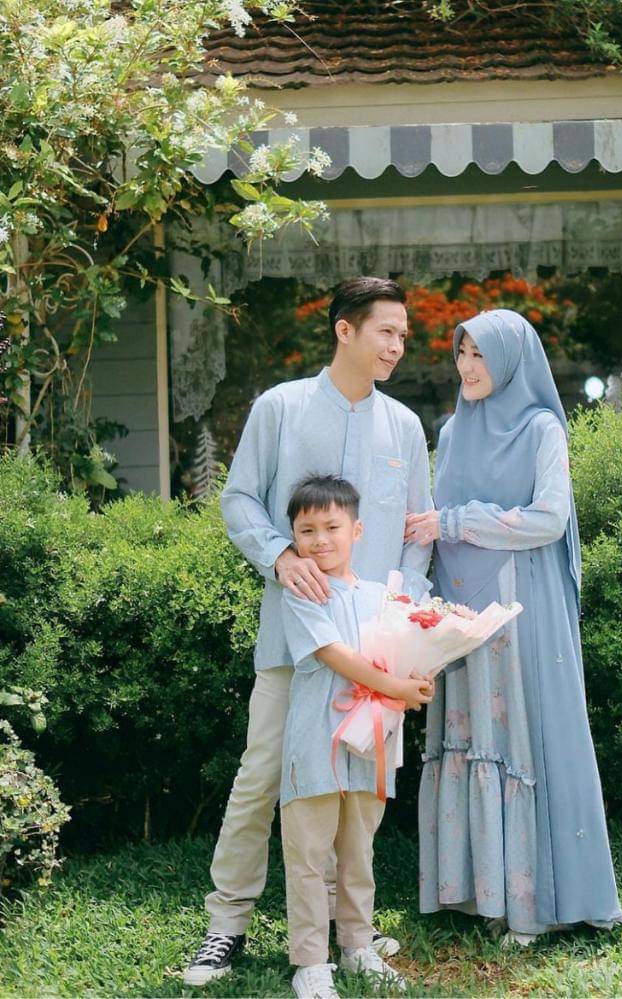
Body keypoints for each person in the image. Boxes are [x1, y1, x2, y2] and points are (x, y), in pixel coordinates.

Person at [184, 278, 432, 987]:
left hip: (372, 653)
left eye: (404, 335)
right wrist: (280, 555)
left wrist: (401, 619)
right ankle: (226, 925)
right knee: (262, 774)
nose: (397, 345)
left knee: (356, 791)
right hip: (293, 640)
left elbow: (416, 533)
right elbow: (238, 498)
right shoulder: (281, 408)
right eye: (386, 331)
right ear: (345, 330)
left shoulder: (405, 427)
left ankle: (346, 929)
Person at [406, 309, 622, 944]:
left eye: (481, 354)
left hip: (519, 609)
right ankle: (482, 894)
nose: (467, 366)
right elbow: (429, 519)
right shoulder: (452, 433)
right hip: (461, 614)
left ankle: (536, 905)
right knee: (476, 734)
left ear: (511, 361)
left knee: (521, 739)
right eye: (462, 352)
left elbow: (548, 519)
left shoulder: (540, 430)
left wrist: (457, 521)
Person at [280, 475, 434, 999]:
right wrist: (395, 686)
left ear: (358, 530)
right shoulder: (301, 593)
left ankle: (357, 947)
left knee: (358, 851)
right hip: (315, 743)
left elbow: (402, 651)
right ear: (293, 538)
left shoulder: (381, 598)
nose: (320, 540)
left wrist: (418, 677)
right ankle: (310, 962)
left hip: (371, 745)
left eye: (332, 527)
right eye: (307, 531)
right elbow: (334, 655)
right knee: (308, 855)